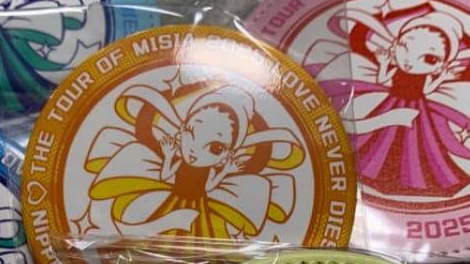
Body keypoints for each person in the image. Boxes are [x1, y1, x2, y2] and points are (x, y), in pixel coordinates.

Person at [302, 0, 470, 196]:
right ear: (395, 45)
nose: (409, 60)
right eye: (405, 47)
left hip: (417, 110)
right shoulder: (394, 67)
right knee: (373, 141)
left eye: (429, 58)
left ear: (441, 64)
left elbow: (429, 89)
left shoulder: (431, 78)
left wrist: (441, 77)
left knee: (415, 147)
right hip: (389, 102)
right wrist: (385, 64)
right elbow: (383, 78)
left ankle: (408, 180)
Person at [81, 81, 305, 238]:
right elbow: (166, 176)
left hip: (201, 210)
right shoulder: (180, 161)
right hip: (166, 201)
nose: (195, 150)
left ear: (226, 154)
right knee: (146, 236)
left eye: (215, 148)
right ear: (181, 130)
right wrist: (169, 155)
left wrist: (225, 171)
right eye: (191, 132)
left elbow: (209, 187)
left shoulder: (212, 170)